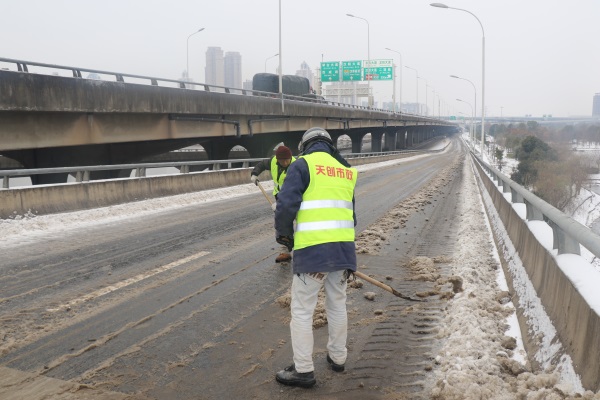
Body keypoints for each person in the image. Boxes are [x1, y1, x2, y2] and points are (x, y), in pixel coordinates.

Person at [273, 127, 358, 388]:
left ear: (304, 146)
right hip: (343, 250)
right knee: (337, 304)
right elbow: (351, 214)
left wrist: (285, 237)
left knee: (301, 310)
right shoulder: (345, 170)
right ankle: (338, 357)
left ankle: (303, 370)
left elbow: (286, 205)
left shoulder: (302, 166)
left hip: (312, 251)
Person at [250, 144, 296, 262]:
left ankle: (303, 249)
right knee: (283, 224)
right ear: (278, 160)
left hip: (294, 198)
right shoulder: (273, 161)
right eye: (282, 161)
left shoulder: (297, 166)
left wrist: (281, 205)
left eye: (287, 160)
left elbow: (294, 189)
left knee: (300, 222)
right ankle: (285, 251)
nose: (285, 163)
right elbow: (262, 165)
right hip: (279, 197)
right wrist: (255, 174)